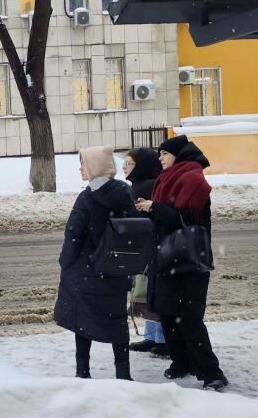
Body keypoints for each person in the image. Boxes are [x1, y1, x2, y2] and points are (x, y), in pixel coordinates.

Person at [136, 135, 229, 391]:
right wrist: (149, 208)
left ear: (178, 155)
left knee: (188, 318)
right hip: (167, 257)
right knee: (167, 313)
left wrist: (156, 208)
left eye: (164, 153)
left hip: (189, 261)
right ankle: (181, 363)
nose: (160, 158)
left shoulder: (193, 179)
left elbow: (188, 221)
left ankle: (212, 373)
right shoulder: (168, 179)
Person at [53, 146, 136, 381]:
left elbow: (74, 235)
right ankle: (123, 372)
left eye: (84, 164)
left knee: (83, 319)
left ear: (94, 168)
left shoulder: (87, 198)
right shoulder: (124, 193)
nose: (81, 168)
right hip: (117, 270)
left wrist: (65, 262)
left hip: (87, 271)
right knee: (117, 320)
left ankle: (83, 371)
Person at [123, 148, 168, 357]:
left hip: (153, 248)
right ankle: (152, 337)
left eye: (129, 163)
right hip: (146, 247)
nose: (124, 167)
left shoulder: (149, 186)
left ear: (140, 166)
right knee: (146, 294)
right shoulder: (141, 184)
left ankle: (162, 340)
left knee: (152, 294)